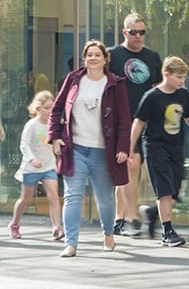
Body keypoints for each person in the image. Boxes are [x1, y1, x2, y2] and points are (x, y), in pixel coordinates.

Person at [49, 40, 131, 257]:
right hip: (74, 149)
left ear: (105, 59)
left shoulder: (115, 84)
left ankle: (108, 234)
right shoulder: (73, 80)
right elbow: (56, 110)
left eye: (97, 55)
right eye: (89, 55)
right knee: (72, 196)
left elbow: (124, 119)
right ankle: (71, 242)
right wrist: (55, 138)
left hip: (103, 151)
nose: (93, 58)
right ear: (84, 59)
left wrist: (123, 147)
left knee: (104, 198)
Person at [129, 56, 189, 247]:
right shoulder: (152, 96)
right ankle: (168, 231)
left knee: (175, 191)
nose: (182, 81)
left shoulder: (183, 94)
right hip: (154, 147)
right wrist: (130, 149)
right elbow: (138, 123)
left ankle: (152, 213)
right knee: (165, 190)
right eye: (179, 77)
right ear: (166, 74)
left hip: (175, 147)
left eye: (184, 77)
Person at [108, 12, 162, 237]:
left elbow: (159, 86)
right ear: (124, 32)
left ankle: (121, 218)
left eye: (142, 32)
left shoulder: (152, 57)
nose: (138, 36)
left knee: (132, 168)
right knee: (129, 164)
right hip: (121, 121)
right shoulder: (112, 55)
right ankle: (130, 216)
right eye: (133, 32)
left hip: (145, 120)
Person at [8, 90, 63, 240]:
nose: (49, 111)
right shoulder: (31, 125)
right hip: (31, 167)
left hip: (48, 166)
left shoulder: (54, 125)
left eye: (52, 107)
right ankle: (15, 223)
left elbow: (57, 140)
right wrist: (32, 159)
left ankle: (56, 227)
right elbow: (24, 145)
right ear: (38, 109)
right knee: (26, 198)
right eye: (46, 108)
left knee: (53, 197)